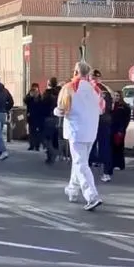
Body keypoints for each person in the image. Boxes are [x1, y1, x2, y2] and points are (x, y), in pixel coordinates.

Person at [55, 61, 104, 211]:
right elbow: (101, 110)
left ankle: (92, 196)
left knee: (80, 164)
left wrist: (56, 112)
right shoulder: (96, 90)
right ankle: (73, 190)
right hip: (91, 131)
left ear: (76, 71)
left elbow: (62, 109)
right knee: (80, 162)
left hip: (76, 131)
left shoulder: (68, 88)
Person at [42, 77, 62, 164]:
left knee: (46, 138)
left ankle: (51, 154)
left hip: (48, 117)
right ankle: (54, 152)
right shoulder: (59, 93)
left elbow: (43, 105)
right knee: (54, 136)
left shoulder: (47, 93)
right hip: (57, 117)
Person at [111, 91, 131, 172]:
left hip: (120, 130)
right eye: (115, 95)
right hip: (112, 129)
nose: (117, 97)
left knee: (119, 147)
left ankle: (120, 164)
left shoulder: (124, 106)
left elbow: (126, 119)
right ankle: (112, 163)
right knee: (112, 147)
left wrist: (122, 130)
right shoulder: (112, 106)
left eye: (118, 96)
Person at [24, 83, 45, 151]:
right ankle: (31, 145)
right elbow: (25, 100)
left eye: (36, 89)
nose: (35, 90)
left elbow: (42, 104)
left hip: (38, 116)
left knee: (37, 132)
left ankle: (37, 145)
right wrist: (30, 96)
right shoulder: (29, 95)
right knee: (31, 131)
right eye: (33, 89)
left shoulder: (40, 96)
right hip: (31, 116)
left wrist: (37, 96)